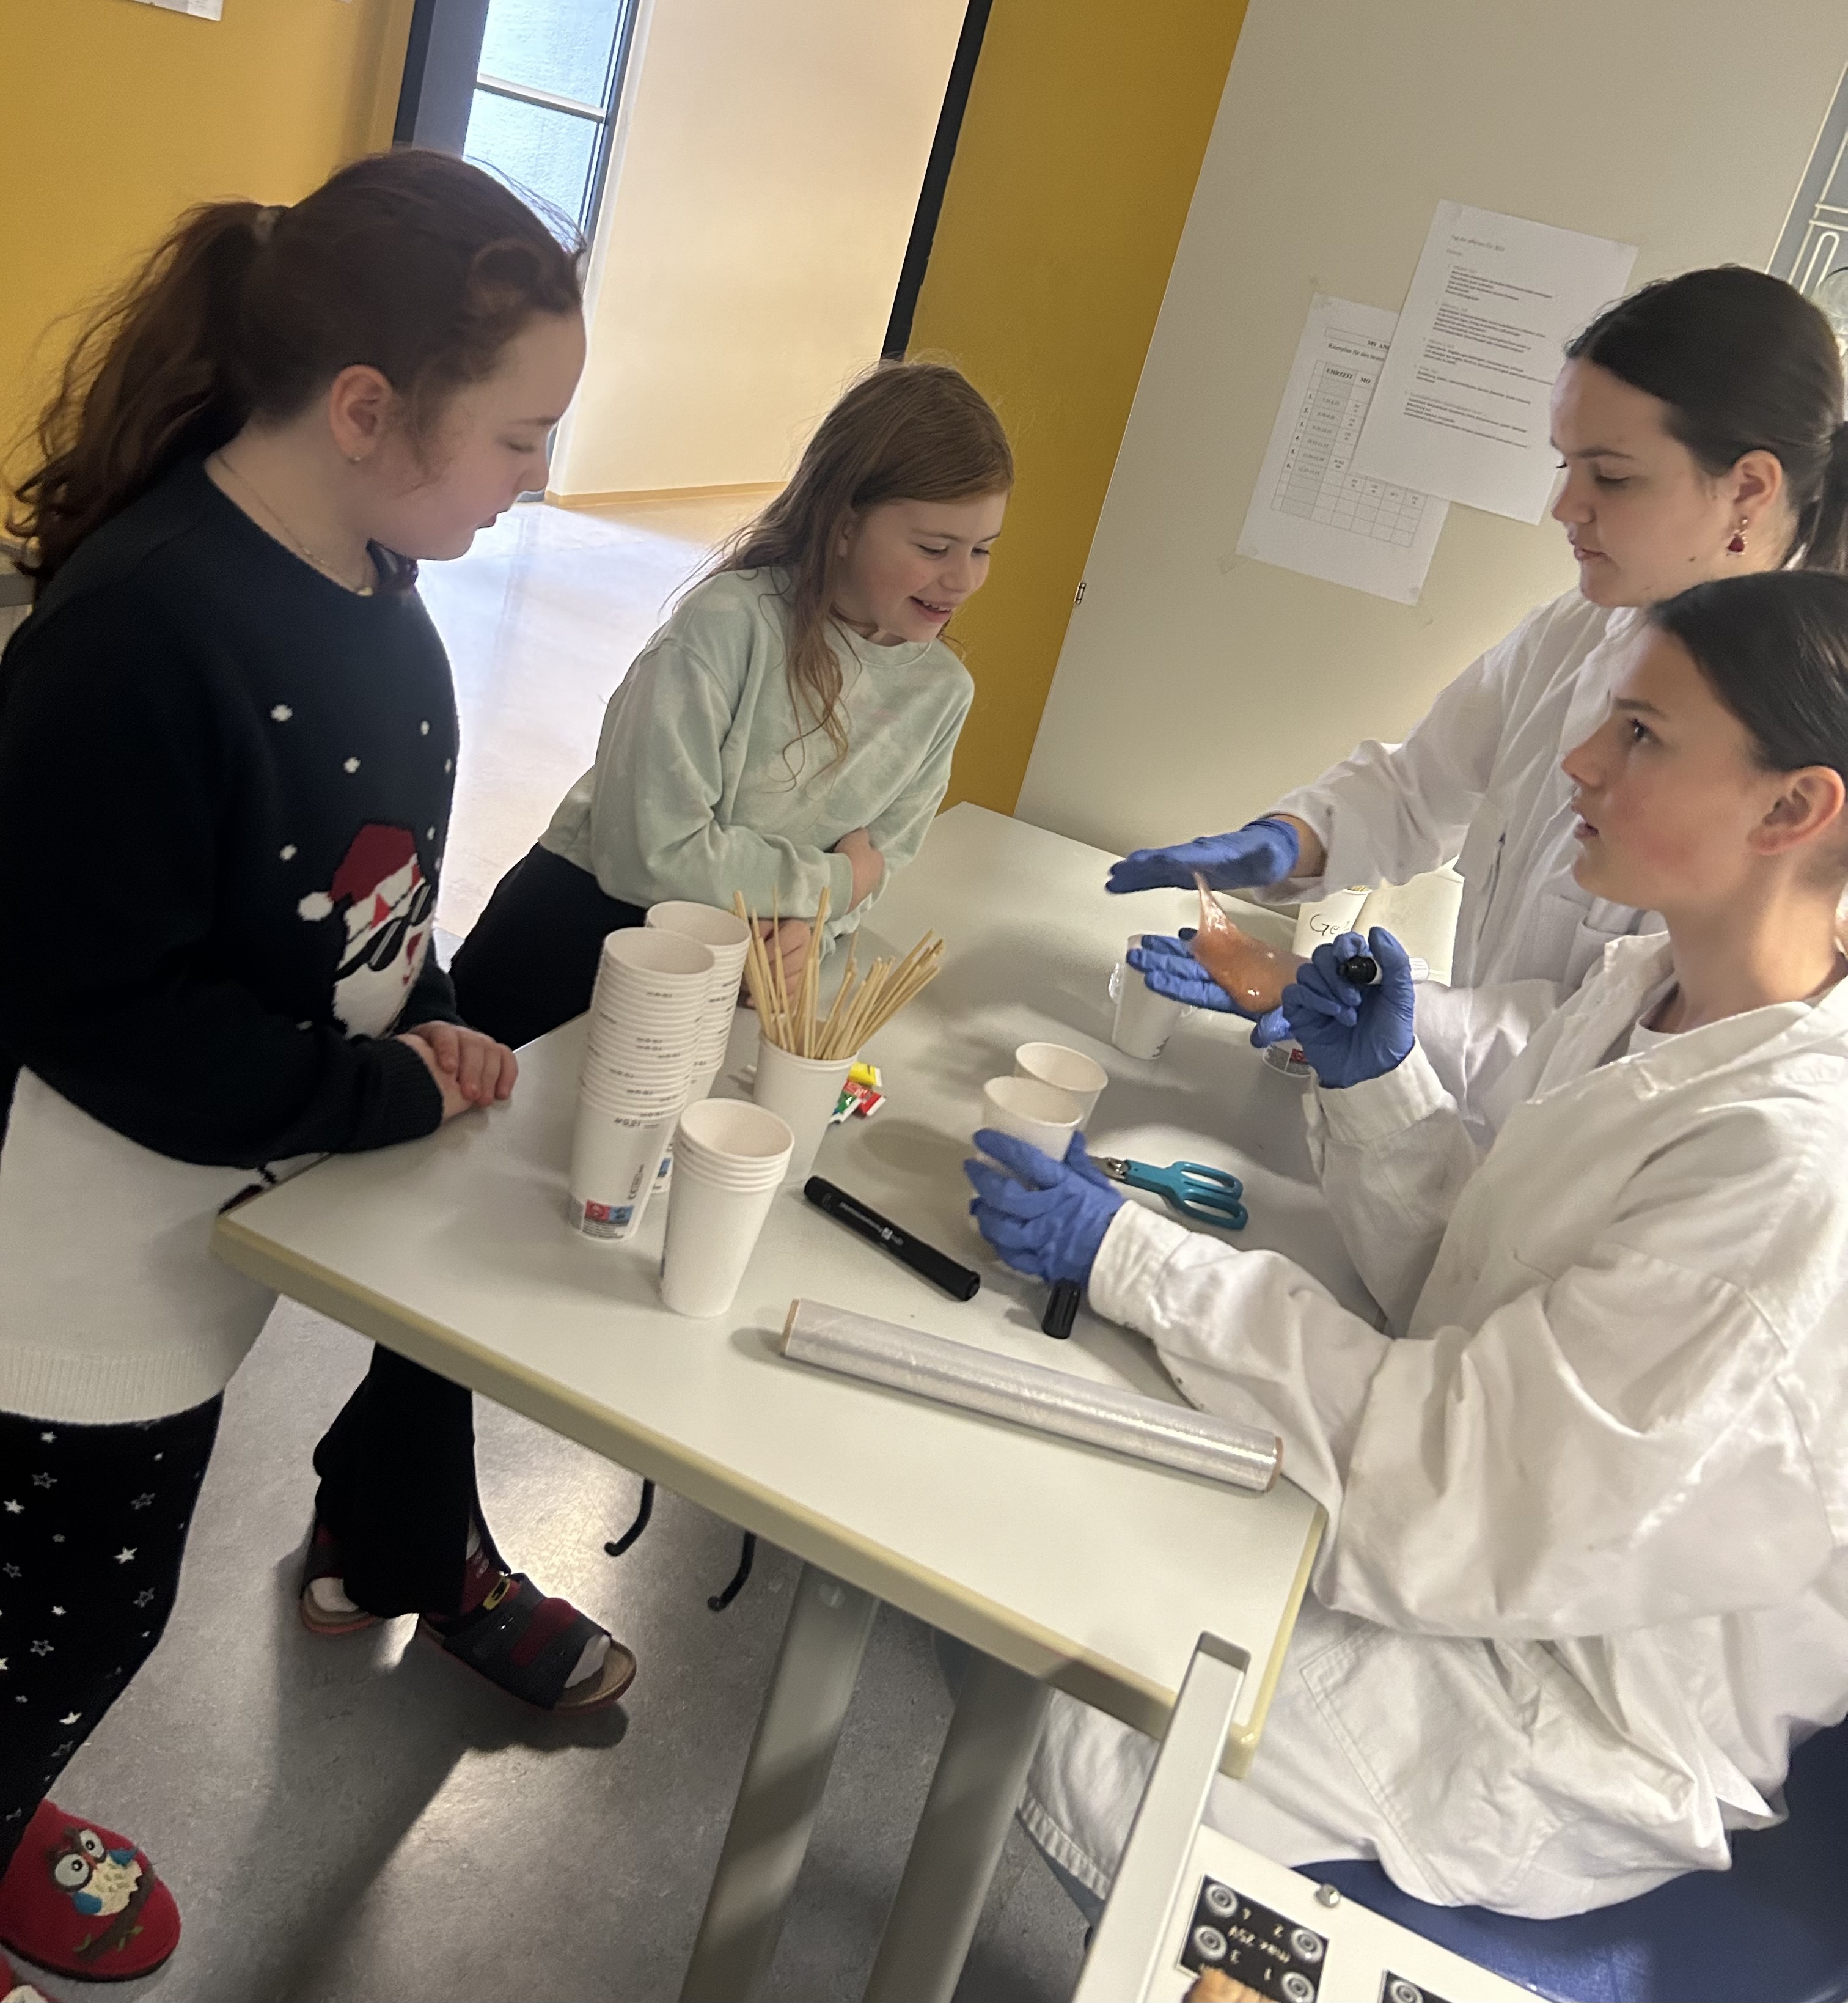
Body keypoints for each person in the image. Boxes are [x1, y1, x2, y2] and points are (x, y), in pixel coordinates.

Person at [967, 569, 1848, 1919]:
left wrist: (1133, 1258)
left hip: (1566, 1695)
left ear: (1790, 810)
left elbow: (1460, 1486)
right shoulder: (1652, 989)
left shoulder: (1782, 1167)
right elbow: (1482, 1298)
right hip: (1495, 1552)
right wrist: (1378, 1089)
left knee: (1104, 1724)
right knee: (1088, 1510)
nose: (1579, 760)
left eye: (1640, 736)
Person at [0, 151, 631, 1992]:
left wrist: (429, 1007)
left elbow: (370, 894)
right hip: (58, 1264)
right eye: (518, 436)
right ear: (368, 409)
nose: (538, 477)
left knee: (88, 1610)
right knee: (63, 1619)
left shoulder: (376, 586)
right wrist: (376, 1099)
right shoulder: (141, 633)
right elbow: (107, 1021)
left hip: (205, 1218)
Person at [1112, 266, 1848, 1105]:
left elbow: (1628, 1040)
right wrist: (1292, 840)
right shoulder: (1581, 628)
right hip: (1470, 1129)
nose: (1564, 505)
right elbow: (1419, 786)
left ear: (1748, 488)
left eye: (1610, 475)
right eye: (1565, 464)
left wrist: (1330, 997)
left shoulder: (1797, 735)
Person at [447, 360, 1012, 1050]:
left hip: (731, 975)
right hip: (577, 939)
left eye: (983, 550)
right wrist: (835, 882)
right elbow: (649, 853)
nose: (962, 579)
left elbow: (880, 864)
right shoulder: (727, 625)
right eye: (934, 548)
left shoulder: (944, 693)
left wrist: (806, 933)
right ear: (844, 524)